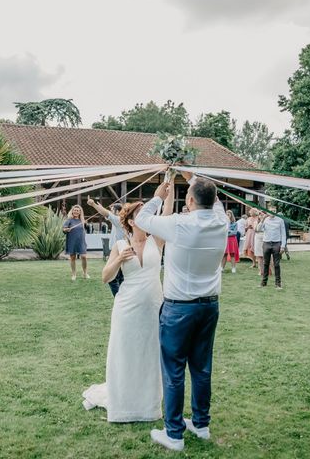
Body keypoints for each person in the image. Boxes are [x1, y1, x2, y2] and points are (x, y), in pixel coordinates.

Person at [135, 172, 228, 452]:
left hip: (179, 309)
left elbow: (140, 220)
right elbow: (215, 199)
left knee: (174, 369)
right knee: (202, 368)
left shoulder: (178, 224)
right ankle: (201, 424)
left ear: (188, 200)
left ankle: (174, 433)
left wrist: (158, 196)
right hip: (209, 307)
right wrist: (191, 176)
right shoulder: (221, 220)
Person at [82, 187, 174, 422]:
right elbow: (105, 277)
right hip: (127, 307)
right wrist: (119, 261)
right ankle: (123, 403)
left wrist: (169, 185)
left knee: (150, 353)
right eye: (142, 214)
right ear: (132, 221)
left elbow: (168, 210)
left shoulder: (157, 240)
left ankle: (148, 405)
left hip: (154, 306)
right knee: (126, 353)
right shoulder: (120, 246)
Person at [87, 197, 125, 296]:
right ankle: (122, 298)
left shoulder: (119, 220)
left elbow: (106, 213)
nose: (111, 212)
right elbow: (105, 213)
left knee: (112, 278)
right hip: (117, 251)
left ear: (117, 211)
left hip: (119, 252)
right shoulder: (118, 221)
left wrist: (93, 205)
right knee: (120, 278)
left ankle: (119, 298)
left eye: (113, 210)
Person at [259, 207, 286, 289]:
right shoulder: (265, 220)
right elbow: (258, 229)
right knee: (265, 263)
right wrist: (262, 219)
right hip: (266, 243)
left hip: (276, 243)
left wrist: (283, 246)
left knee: (276, 264)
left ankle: (278, 284)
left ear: (276, 211)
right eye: (271, 211)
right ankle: (263, 283)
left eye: (274, 211)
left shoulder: (280, 220)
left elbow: (283, 234)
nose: (272, 212)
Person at [63, 205, 89, 281]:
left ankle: (85, 273)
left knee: (83, 256)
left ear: (80, 212)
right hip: (72, 241)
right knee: (73, 258)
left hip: (81, 241)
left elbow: (86, 229)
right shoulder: (69, 220)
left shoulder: (82, 220)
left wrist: (86, 223)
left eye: (78, 210)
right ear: (72, 211)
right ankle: (74, 274)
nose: (76, 211)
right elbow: (64, 229)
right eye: (75, 210)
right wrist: (66, 229)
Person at [254, 212, 266, 276]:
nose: (261, 216)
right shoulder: (256, 222)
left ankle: (267, 270)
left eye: (263, 215)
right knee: (259, 256)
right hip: (258, 239)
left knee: (266, 256)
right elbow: (257, 229)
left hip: (265, 239)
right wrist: (261, 221)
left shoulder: (267, 222)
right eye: (260, 215)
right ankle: (261, 270)